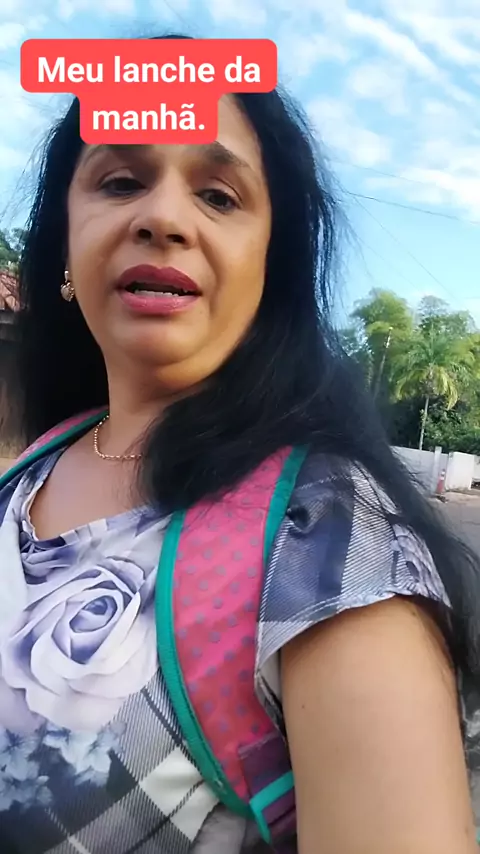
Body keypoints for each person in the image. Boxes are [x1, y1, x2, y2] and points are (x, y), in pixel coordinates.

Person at [0, 32, 479, 854]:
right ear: (64, 249)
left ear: (270, 266)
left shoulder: (327, 544)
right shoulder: (36, 467)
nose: (163, 218)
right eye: (120, 181)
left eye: (219, 196)